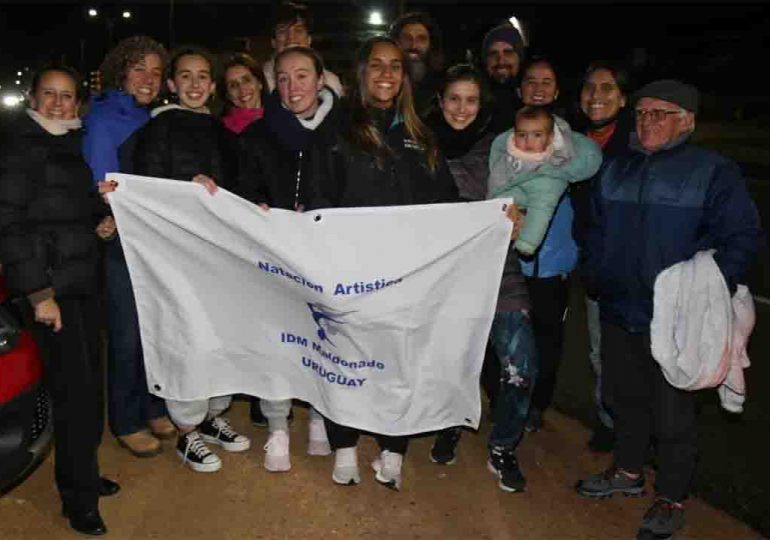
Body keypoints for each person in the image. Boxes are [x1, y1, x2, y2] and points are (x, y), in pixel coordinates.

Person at [577, 80, 762, 539]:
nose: (648, 122)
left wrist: (709, 290)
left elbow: (742, 237)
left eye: (661, 113)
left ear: (688, 121)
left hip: (677, 321)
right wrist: (597, 274)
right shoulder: (616, 168)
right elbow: (594, 229)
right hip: (620, 308)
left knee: (673, 414)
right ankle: (627, 472)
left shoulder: (712, 171)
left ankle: (672, 496)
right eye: (642, 113)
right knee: (624, 400)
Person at [322, 36, 457, 490]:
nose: (386, 74)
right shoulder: (337, 128)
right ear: (361, 72)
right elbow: (319, 200)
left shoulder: (421, 134)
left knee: (400, 361)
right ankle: (344, 445)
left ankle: (393, 449)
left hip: (407, 274)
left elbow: (449, 204)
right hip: (351, 270)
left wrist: (497, 218)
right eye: (376, 65)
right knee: (347, 358)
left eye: (395, 66)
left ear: (404, 76)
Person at [0, 66, 117, 536]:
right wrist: (40, 296)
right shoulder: (20, 148)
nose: (57, 103)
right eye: (48, 95)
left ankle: (83, 473)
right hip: (53, 295)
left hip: (81, 286)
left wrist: (99, 215)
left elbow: (60, 214)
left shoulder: (63, 144)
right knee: (75, 396)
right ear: (32, 98)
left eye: (66, 97)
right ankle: (78, 500)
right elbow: (9, 227)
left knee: (90, 389)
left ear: (76, 104)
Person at [130, 46, 250, 473]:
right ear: (171, 84)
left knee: (219, 337)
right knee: (186, 338)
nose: (195, 84)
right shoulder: (156, 131)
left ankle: (212, 416)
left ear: (213, 86)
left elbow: (239, 187)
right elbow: (146, 186)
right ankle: (186, 431)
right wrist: (186, 185)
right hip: (177, 256)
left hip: (217, 257)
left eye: (203, 76)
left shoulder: (222, 133)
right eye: (186, 76)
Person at [237, 46, 339, 472]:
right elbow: (243, 189)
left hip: (326, 254)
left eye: (301, 75)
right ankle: (278, 425)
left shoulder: (344, 133)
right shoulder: (256, 137)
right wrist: (263, 208)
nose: (292, 85)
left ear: (320, 80)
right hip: (274, 254)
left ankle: (319, 415)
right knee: (278, 339)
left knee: (323, 339)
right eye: (282, 78)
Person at [82, 35, 175, 458]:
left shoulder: (154, 118)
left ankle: (152, 404)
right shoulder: (104, 117)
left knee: (154, 328)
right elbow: (104, 185)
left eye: (156, 72)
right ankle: (125, 419)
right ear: (122, 70)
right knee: (126, 333)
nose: (148, 78)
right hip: (122, 237)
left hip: (155, 239)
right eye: (140, 68)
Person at [423, 64, 501, 465]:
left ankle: (452, 421)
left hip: (474, 261)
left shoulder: (496, 146)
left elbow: (510, 192)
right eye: (454, 98)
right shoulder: (418, 139)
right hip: (430, 260)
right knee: (434, 342)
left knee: (467, 341)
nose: (461, 107)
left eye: (471, 99)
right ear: (440, 100)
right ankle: (432, 413)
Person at [572, 61, 635, 452]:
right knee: (601, 351)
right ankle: (609, 421)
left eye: (607, 88)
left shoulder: (637, 141)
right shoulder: (576, 143)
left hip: (635, 264)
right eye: (590, 88)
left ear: (623, 98)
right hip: (596, 265)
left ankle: (643, 430)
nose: (597, 96)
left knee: (642, 352)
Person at [262, 1, 343, 97]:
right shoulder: (260, 82)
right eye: (282, 31)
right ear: (273, 42)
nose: (291, 37)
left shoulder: (330, 82)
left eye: (298, 30)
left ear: (309, 39)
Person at [389, 11, 445, 116]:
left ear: (431, 44)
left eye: (421, 39)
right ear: (396, 41)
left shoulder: (443, 85)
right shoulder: (385, 80)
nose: (413, 45)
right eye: (407, 38)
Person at [481, 22, 525, 134]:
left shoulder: (532, 97)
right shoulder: (474, 99)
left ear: (519, 57)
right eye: (493, 53)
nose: (500, 61)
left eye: (508, 52)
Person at [221, 52, 268, 135]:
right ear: (228, 95)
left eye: (246, 80)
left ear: (260, 83)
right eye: (233, 85)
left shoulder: (280, 118)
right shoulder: (221, 130)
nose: (242, 89)